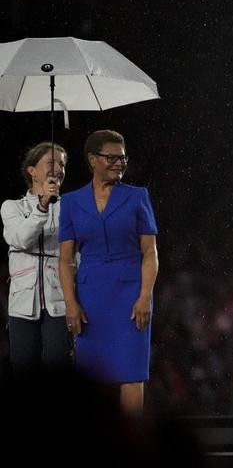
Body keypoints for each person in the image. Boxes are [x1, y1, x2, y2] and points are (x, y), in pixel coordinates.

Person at [58, 130, 159, 414]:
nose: (120, 163)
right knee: (92, 377)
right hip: (90, 297)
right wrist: (71, 303)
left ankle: (131, 446)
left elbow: (149, 252)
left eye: (123, 158)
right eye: (112, 158)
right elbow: (65, 259)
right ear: (92, 159)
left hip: (130, 295)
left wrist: (145, 296)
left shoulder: (138, 197)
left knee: (131, 372)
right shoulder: (71, 202)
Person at [2, 142, 71, 375]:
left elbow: (76, 253)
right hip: (22, 305)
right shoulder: (11, 207)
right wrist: (42, 206)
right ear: (32, 170)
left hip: (59, 302)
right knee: (24, 372)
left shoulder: (69, 208)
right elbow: (20, 239)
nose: (59, 168)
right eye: (51, 162)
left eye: (62, 164)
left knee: (58, 368)